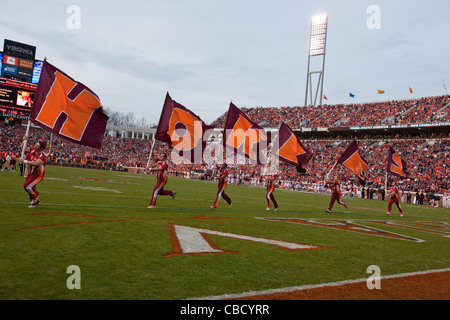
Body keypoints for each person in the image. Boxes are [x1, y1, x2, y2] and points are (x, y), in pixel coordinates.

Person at [19, 136, 48, 208]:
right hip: (31, 173)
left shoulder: (43, 156)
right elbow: (23, 148)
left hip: (38, 174)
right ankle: (35, 203)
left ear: (41, 148)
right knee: (30, 188)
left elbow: (36, 163)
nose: (35, 146)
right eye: (36, 144)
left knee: (27, 186)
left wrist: (24, 161)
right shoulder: (32, 150)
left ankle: (36, 195)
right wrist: (24, 140)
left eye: (38, 146)